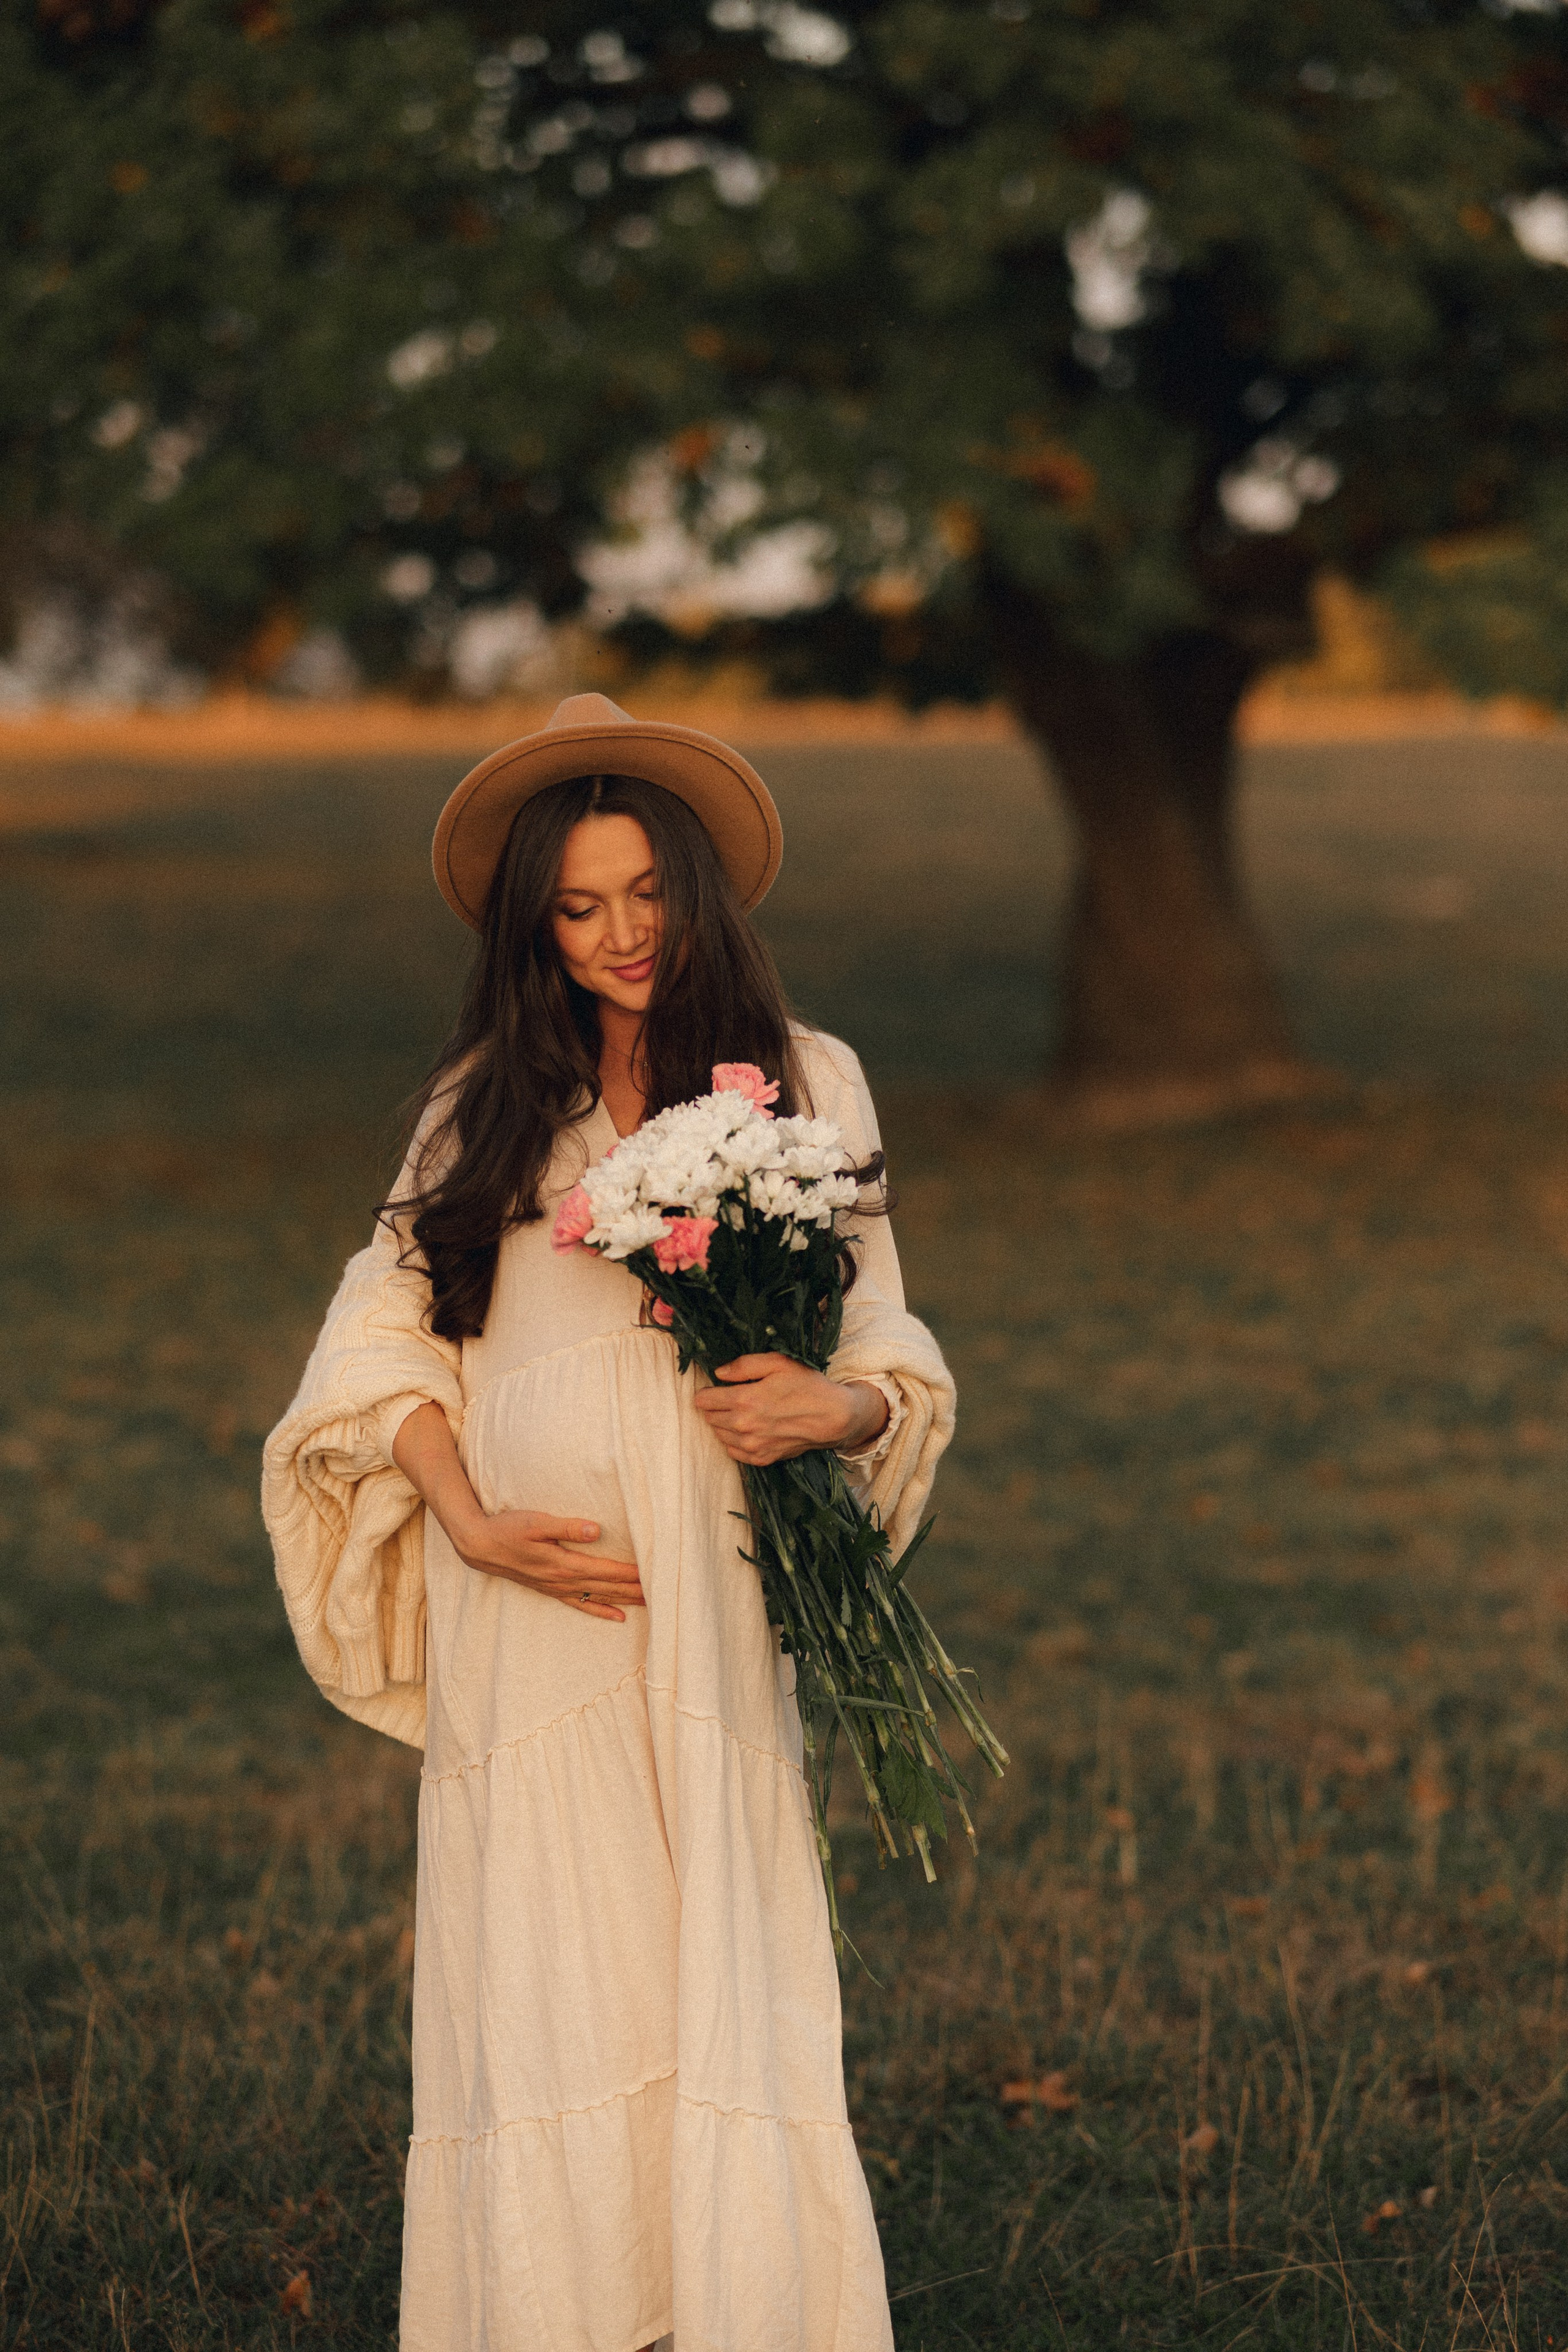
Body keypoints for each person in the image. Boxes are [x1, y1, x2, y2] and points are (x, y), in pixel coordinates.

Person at [263, 694, 956, 2352]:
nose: (622, 935)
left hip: (710, 1581)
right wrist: (466, 1518)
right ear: (535, 927)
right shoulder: (487, 1098)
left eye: (646, 893)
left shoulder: (805, 1080)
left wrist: (834, 1411)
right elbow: (381, 1330)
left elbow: (880, 1332)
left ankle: (735, 2306)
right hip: (536, 1605)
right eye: (579, 908)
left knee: (714, 1946)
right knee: (556, 1965)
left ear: (697, 886)